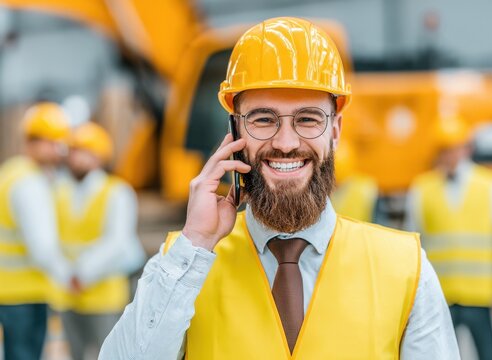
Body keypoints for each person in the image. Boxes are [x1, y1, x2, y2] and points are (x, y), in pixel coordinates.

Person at [100, 17, 459, 359]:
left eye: (307, 119)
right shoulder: (184, 262)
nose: (286, 142)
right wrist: (195, 243)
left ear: (335, 131)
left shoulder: (405, 269)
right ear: (235, 131)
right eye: (263, 119)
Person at [405, 115, 492, 360]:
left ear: (467, 148)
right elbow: (410, 248)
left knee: (488, 355)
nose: (450, 156)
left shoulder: (490, 185)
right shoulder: (422, 189)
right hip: (439, 297)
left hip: (480, 296)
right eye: (445, 150)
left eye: (454, 148)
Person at [52, 121, 145, 360]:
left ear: (100, 157)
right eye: (73, 151)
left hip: (104, 293)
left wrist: (81, 273)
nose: (77, 158)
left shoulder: (117, 191)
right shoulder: (59, 191)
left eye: (84, 152)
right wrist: (66, 274)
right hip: (67, 292)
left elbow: (117, 242)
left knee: (109, 352)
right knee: (75, 352)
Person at [0, 102, 74, 360]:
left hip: (11, 293)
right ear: (33, 143)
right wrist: (69, 277)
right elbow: (42, 248)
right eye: (53, 143)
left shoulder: (12, 171)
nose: (58, 150)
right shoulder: (30, 184)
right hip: (24, 295)